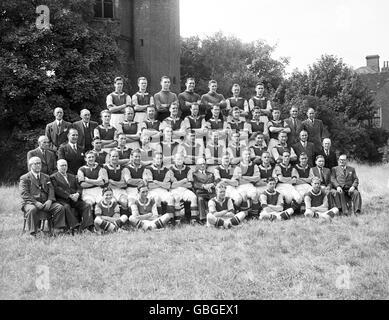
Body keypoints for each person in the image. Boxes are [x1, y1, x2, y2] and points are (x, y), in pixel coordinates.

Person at [19, 157, 66, 236]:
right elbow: (24, 193)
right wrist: (35, 202)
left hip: (45, 202)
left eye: (39, 163)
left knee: (59, 207)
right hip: (30, 203)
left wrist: (50, 200)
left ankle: (57, 230)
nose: (38, 165)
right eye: (36, 164)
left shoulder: (46, 177)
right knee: (32, 209)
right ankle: (33, 233)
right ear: (30, 165)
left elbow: (51, 190)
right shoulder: (25, 178)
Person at [51, 159, 94, 233]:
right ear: (57, 167)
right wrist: (69, 196)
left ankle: (86, 227)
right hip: (62, 200)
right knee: (66, 207)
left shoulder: (72, 176)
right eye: (62, 165)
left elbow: (79, 187)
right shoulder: (53, 177)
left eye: (65, 165)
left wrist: (77, 194)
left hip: (75, 199)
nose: (64, 167)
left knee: (87, 206)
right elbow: (57, 190)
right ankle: (75, 227)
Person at [142, 152, 175, 218]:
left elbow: (168, 185)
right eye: (157, 158)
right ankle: (159, 218)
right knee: (157, 198)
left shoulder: (166, 170)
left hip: (163, 190)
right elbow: (150, 185)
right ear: (154, 159)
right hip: (152, 191)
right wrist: (162, 184)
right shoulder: (148, 169)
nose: (159, 160)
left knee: (170, 198)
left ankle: (170, 219)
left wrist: (157, 182)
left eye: (160, 158)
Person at [169, 153, 199, 224]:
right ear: (174, 160)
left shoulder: (188, 169)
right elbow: (172, 185)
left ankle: (193, 220)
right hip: (174, 190)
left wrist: (178, 183)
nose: (180, 160)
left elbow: (190, 184)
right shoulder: (170, 169)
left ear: (184, 160)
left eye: (181, 159)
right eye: (178, 159)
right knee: (176, 198)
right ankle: (177, 220)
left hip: (185, 190)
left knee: (193, 197)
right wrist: (184, 180)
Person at [232, 149, 261, 218]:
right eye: (245, 154)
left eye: (249, 154)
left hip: (250, 185)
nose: (247, 156)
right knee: (243, 196)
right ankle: (243, 214)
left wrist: (245, 177)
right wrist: (251, 178)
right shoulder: (238, 166)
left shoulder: (254, 165)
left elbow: (257, 178)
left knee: (254, 195)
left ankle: (254, 215)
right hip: (240, 186)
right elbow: (237, 179)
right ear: (242, 156)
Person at [104, 150, 130, 216]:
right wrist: (118, 184)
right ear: (109, 157)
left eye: (116, 156)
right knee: (112, 202)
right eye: (113, 156)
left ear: (119, 157)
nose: (115, 158)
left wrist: (113, 182)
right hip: (109, 190)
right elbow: (107, 183)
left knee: (124, 201)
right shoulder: (105, 168)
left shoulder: (122, 168)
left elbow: (124, 184)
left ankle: (125, 220)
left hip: (120, 190)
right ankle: (113, 221)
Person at [193, 157, 216, 222]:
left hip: (211, 192)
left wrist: (212, 184)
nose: (202, 165)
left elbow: (215, 181)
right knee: (200, 199)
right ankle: (202, 218)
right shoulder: (194, 174)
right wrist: (203, 186)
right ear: (197, 165)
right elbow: (195, 183)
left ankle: (216, 216)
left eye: (204, 164)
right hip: (201, 192)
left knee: (216, 198)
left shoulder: (210, 174)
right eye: (200, 164)